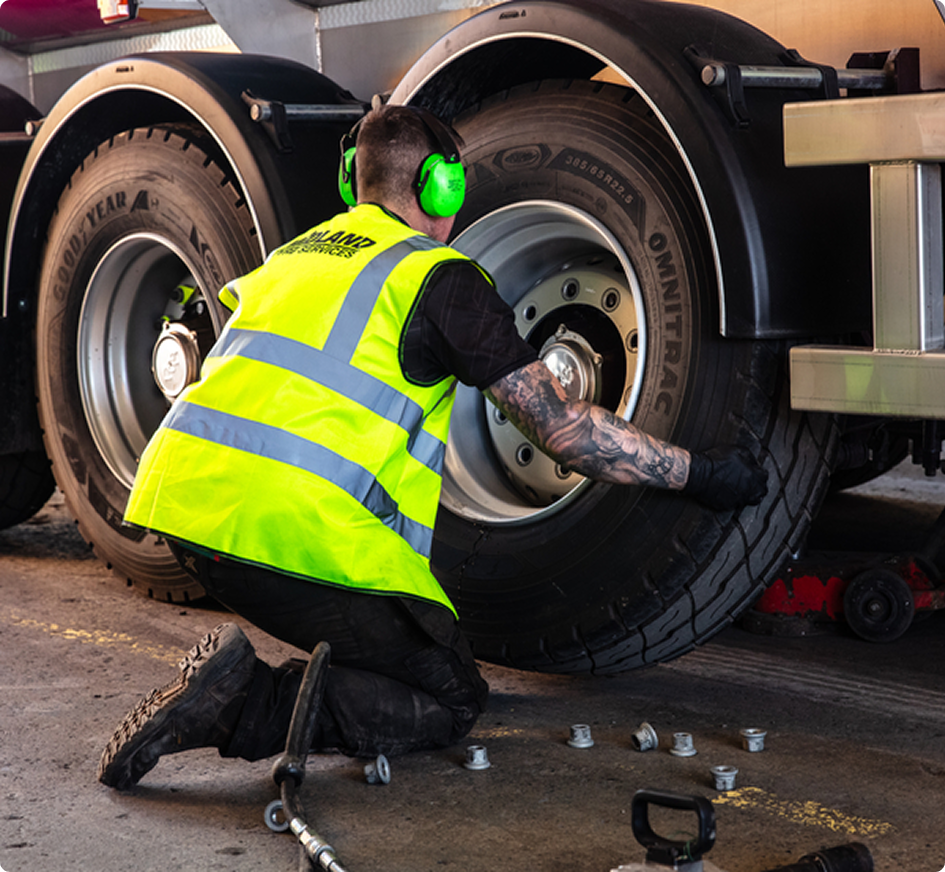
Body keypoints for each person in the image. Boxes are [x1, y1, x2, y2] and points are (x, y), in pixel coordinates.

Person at [97, 104, 767, 791]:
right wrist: (703, 474)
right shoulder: (435, 277)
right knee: (448, 699)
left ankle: (240, 686)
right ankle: (241, 702)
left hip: (179, 509)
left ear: (352, 179)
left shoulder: (293, 256)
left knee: (403, 655)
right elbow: (562, 429)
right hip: (284, 533)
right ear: (438, 188)